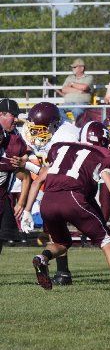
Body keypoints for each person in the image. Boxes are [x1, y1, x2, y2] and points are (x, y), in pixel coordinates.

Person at [23, 122, 110, 293]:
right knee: (105, 240)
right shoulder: (103, 154)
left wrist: (27, 210)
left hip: (48, 200)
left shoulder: (61, 148)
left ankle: (43, 257)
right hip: (72, 198)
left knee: (61, 243)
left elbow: (38, 180)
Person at [14, 102, 80, 285]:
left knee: (97, 231)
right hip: (51, 185)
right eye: (33, 129)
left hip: (71, 186)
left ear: (54, 125)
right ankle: (63, 273)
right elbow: (37, 162)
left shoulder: (66, 136)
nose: (34, 134)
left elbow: (50, 172)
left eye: (40, 130)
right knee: (57, 231)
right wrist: (24, 160)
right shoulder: (40, 133)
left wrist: (27, 208)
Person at [0, 99, 30, 255]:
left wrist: (24, 159)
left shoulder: (14, 136)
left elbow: (25, 173)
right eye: (14, 115)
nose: (17, 119)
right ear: (1, 114)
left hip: (3, 195)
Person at [57, 58, 94, 124]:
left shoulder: (89, 77)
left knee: (77, 110)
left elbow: (84, 87)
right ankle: (69, 123)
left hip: (81, 103)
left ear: (82, 68)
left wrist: (72, 84)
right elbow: (64, 89)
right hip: (68, 103)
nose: (72, 69)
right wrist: (79, 90)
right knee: (57, 109)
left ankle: (77, 126)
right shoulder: (69, 77)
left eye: (74, 67)